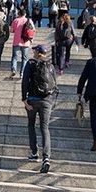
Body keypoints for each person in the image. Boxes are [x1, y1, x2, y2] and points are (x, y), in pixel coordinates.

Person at [22, 45, 56, 174]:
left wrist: (24, 99)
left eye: (35, 50)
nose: (33, 51)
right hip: (47, 100)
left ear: (37, 52)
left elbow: (25, 81)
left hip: (32, 99)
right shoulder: (50, 65)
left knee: (31, 124)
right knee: (44, 127)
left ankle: (34, 152)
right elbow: (54, 83)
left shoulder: (31, 63)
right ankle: (46, 158)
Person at [10, 9, 33, 78]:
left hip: (16, 41)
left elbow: (12, 30)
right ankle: (22, 73)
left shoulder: (15, 20)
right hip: (26, 42)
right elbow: (33, 30)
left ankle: (14, 70)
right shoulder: (29, 21)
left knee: (14, 57)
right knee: (25, 58)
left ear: (19, 14)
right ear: (25, 14)